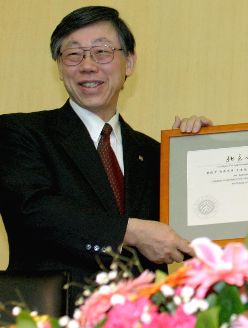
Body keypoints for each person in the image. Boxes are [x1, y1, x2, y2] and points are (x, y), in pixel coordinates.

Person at [0, 6, 211, 312]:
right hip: (58, 313)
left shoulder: (155, 154)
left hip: (147, 316)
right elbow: (33, 211)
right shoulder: (20, 133)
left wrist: (198, 156)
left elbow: (190, 237)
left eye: (102, 51)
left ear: (130, 62)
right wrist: (132, 231)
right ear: (59, 68)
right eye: (73, 55)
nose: (87, 65)